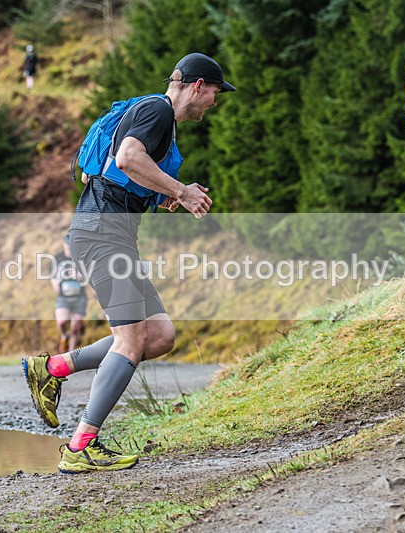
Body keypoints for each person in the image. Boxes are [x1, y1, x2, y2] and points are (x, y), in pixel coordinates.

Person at [23, 52, 235, 473]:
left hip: (110, 236)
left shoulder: (158, 119)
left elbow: (109, 172)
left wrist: (164, 193)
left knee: (158, 334)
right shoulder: (158, 110)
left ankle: (53, 368)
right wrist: (182, 191)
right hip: (102, 236)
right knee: (131, 340)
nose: (215, 101)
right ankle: (81, 447)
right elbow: (126, 159)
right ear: (198, 86)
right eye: (215, 92)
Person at [52, 234, 87, 353]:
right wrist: (55, 284)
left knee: (76, 327)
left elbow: (88, 276)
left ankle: (70, 353)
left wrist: (78, 276)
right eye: (67, 247)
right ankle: (64, 336)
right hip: (63, 297)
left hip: (79, 297)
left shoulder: (81, 258)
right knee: (62, 323)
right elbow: (51, 274)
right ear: (64, 245)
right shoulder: (58, 258)